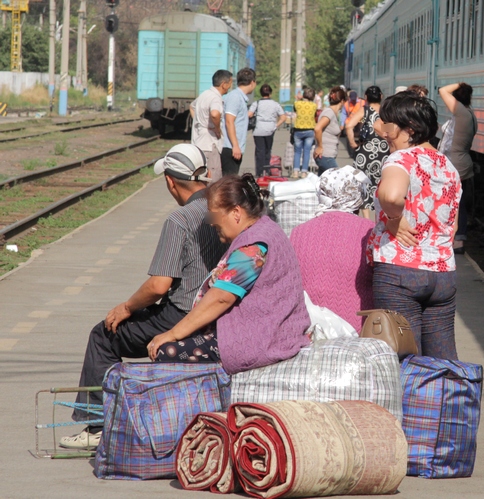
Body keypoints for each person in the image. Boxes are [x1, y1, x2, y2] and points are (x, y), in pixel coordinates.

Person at [60, 144, 228, 449]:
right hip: (220, 311)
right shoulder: (225, 207)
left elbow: (158, 287)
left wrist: (125, 308)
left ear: (170, 181)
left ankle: (97, 424)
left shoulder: (179, 220)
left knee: (104, 335)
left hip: (182, 315)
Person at [147, 174, 311, 374]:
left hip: (262, 341)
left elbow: (221, 298)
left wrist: (173, 334)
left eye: (213, 216)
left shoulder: (253, 247)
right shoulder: (266, 229)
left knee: (167, 351)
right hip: (272, 332)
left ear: (236, 213)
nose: (210, 223)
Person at [367, 91, 462, 359]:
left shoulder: (401, 160)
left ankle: (405, 403)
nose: (383, 133)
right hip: (443, 275)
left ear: (409, 129)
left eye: (388, 126)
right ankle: (443, 401)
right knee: (442, 363)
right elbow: (451, 226)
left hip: (401, 274)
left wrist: (394, 219)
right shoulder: (448, 167)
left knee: (401, 360)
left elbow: (392, 196)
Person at [290, 165, 374, 332]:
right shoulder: (370, 231)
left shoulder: (298, 232)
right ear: (359, 195)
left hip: (310, 329)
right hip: (359, 329)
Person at [438, 82, 478, 254]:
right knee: (456, 203)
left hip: (455, 164)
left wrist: (460, 84)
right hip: (459, 161)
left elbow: (442, 90)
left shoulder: (461, 112)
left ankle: (457, 239)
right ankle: (456, 238)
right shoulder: (469, 113)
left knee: (452, 203)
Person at [345, 85, 390, 217]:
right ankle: (379, 216)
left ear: (365, 97)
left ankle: (366, 218)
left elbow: (349, 126)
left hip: (365, 152)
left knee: (362, 183)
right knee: (380, 183)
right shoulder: (385, 111)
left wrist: (353, 143)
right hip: (383, 152)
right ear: (381, 96)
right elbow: (390, 130)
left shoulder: (365, 110)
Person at [190, 70, 233, 182]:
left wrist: (199, 122)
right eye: (230, 83)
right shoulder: (215, 98)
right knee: (213, 178)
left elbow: (192, 106)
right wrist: (217, 129)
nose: (230, 86)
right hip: (209, 143)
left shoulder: (205, 94)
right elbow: (215, 114)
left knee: (200, 177)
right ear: (224, 84)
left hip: (199, 140)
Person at [221, 67, 257, 176]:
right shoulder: (235, 97)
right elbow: (229, 121)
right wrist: (235, 146)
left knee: (231, 181)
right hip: (230, 147)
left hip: (234, 147)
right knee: (229, 182)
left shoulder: (239, 97)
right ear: (252, 82)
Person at [248, 84, 287, 177]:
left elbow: (249, 114)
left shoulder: (256, 103)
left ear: (261, 93)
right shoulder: (275, 104)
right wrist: (276, 125)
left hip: (258, 130)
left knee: (259, 151)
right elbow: (283, 117)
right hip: (270, 129)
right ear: (270, 93)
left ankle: (259, 172)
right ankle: (267, 170)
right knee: (267, 150)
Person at [313, 86, 346, 174]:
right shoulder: (329, 113)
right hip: (325, 156)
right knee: (337, 178)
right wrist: (320, 146)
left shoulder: (332, 113)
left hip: (326, 156)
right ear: (342, 101)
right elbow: (317, 128)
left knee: (323, 184)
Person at [292, 87, 317, 178]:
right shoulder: (314, 105)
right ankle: (304, 172)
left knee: (297, 151)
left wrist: (298, 99)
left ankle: (295, 171)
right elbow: (314, 115)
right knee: (307, 151)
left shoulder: (297, 103)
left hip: (298, 130)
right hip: (310, 130)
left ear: (303, 95)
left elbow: (295, 111)